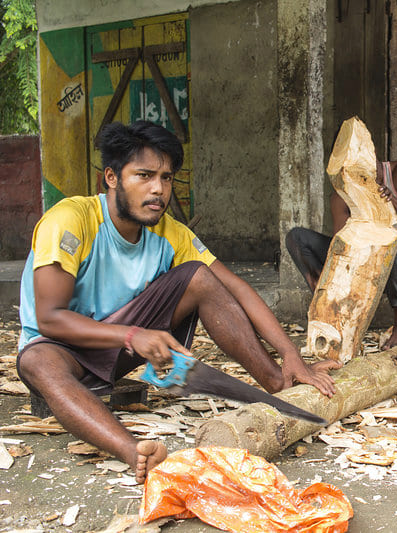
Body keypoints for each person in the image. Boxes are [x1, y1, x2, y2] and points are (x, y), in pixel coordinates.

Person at [16, 121, 341, 483]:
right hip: (61, 349)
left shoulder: (169, 232)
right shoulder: (70, 219)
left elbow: (237, 289)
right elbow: (49, 318)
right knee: (37, 361)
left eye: (167, 178)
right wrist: (131, 336)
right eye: (144, 175)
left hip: (120, 345)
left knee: (201, 277)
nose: (158, 189)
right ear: (111, 177)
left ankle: (279, 386)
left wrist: (290, 354)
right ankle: (135, 453)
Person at [286, 160, 397, 349]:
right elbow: (343, 248)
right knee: (296, 237)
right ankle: (325, 300)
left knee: (384, 239)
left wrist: (391, 200)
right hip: (365, 269)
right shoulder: (342, 195)